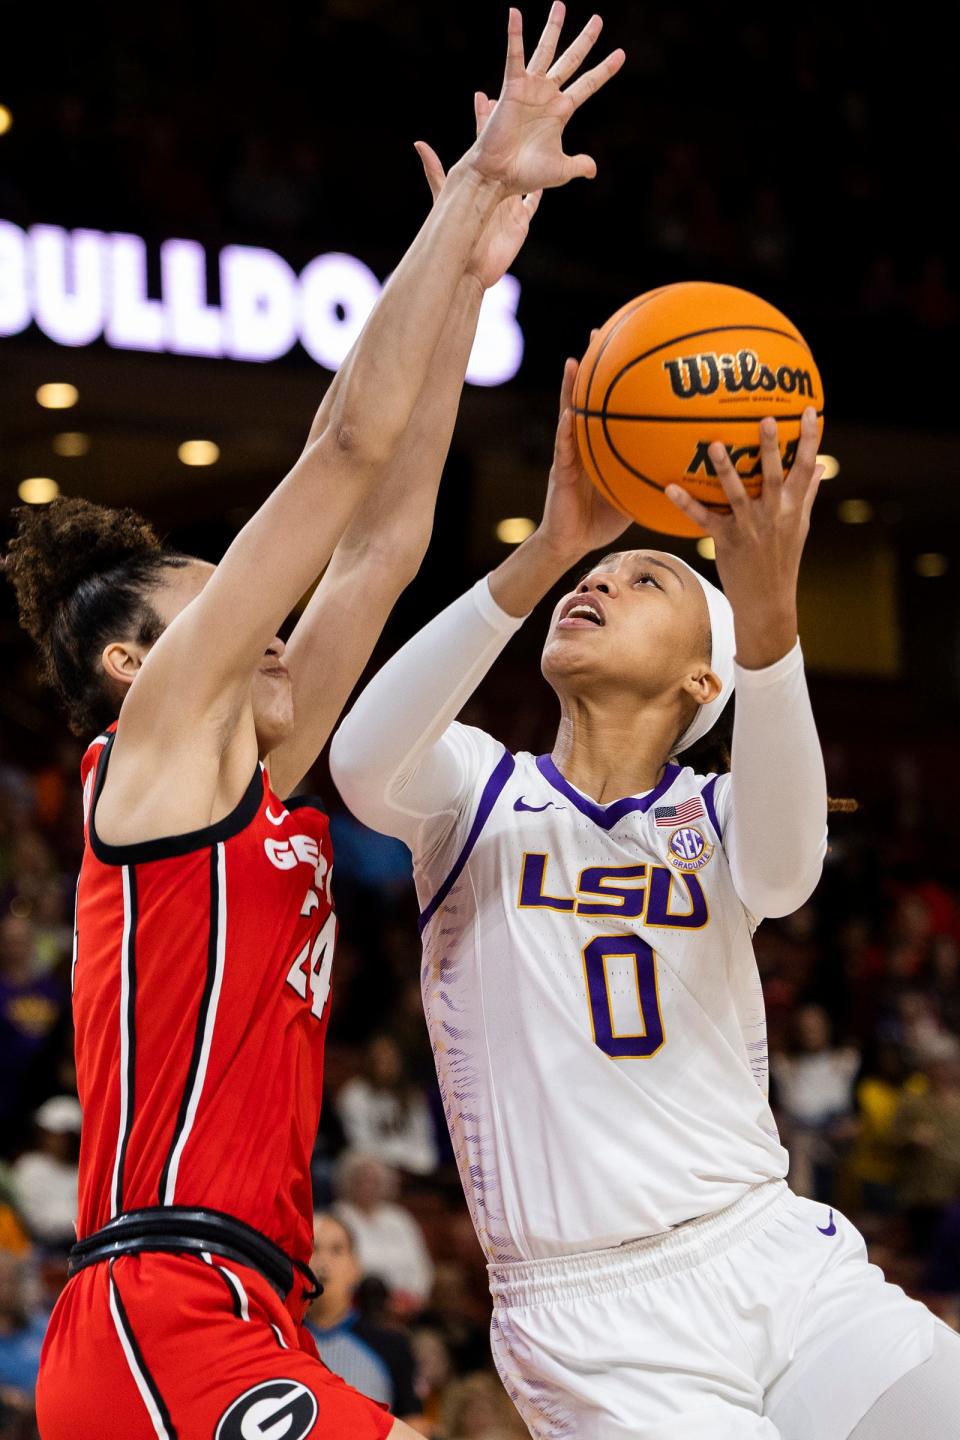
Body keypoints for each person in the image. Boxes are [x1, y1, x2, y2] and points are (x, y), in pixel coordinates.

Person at [2, 11, 625, 1436]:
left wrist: (467, 281)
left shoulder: (254, 782)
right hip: (159, 1309)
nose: (268, 626)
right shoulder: (155, 758)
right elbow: (343, 451)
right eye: (224, 605)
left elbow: (385, 543)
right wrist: (473, 182)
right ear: (127, 665)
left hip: (248, 1307)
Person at [331, 362, 960, 1437]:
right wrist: (543, 553)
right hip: (596, 1321)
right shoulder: (478, 791)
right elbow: (359, 758)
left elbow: (786, 868)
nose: (604, 584)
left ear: (702, 682)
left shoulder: (721, 814)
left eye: (646, 581)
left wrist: (771, 628)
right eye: (601, 573)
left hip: (769, 1252)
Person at [307, 1212, 422, 1424]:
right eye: (313, 1249)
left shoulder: (392, 1345)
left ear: (356, 1268)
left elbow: (415, 1424)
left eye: (336, 1250)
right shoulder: (276, 1340)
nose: (322, 1262)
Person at [333, 1153, 434, 1310]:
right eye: (361, 1179)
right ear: (348, 1182)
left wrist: (415, 1297)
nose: (368, 1186)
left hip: (406, 1304)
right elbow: (338, 1269)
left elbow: (420, 1265)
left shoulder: (400, 1218)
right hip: (357, 1305)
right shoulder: (337, 1217)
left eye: (374, 1180)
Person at [336, 1034, 439, 1177]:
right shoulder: (354, 1094)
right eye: (381, 1060)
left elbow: (426, 1149)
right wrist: (396, 1161)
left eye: (392, 1059)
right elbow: (360, 1144)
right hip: (370, 1171)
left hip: (411, 1172)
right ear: (370, 1062)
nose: (388, 1065)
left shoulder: (412, 1097)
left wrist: (409, 1165)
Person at [10, 1095, 81, 1251]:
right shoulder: (29, 1167)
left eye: (63, 1136)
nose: (55, 1141)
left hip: (83, 1247)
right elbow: (38, 1223)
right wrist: (76, 1221)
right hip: (40, 1250)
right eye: (50, 1134)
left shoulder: (84, 1171)